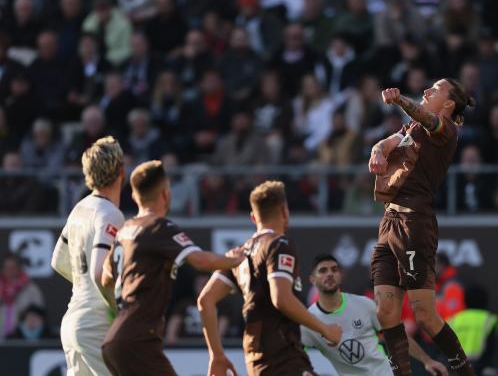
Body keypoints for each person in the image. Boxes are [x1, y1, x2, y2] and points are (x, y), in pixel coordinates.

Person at [368, 80, 476, 376]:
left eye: (435, 89)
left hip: (415, 223)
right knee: (385, 312)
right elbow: (386, 142)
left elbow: (427, 119)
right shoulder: (411, 129)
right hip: (389, 222)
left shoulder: (445, 130)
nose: (427, 91)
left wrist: (401, 101)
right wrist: (377, 152)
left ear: (449, 104)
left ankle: (466, 372)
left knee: (425, 315)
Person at [100, 160, 244, 376]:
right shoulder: (159, 226)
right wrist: (235, 260)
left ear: (134, 196)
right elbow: (201, 261)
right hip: (139, 339)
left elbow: (105, 279)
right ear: (166, 194)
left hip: (114, 340)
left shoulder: (124, 231)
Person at [198, 180, 342, 376]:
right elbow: (281, 298)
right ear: (284, 211)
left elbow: (205, 301)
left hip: (255, 356)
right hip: (281, 353)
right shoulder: (279, 244)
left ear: (253, 218)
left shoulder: (238, 254)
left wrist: (217, 355)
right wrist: (324, 329)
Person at [50, 136, 126, 376]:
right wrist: (119, 311)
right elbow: (97, 272)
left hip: (73, 322)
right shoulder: (110, 214)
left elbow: (58, 262)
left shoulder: (80, 208)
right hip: (96, 326)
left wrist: (85, 292)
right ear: (121, 171)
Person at [301, 253, 448, 376]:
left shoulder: (365, 305)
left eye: (334, 270)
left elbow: (397, 336)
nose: (329, 274)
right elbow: (296, 356)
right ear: (312, 280)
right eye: (323, 271)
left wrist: (427, 361)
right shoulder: (308, 321)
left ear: (341, 276)